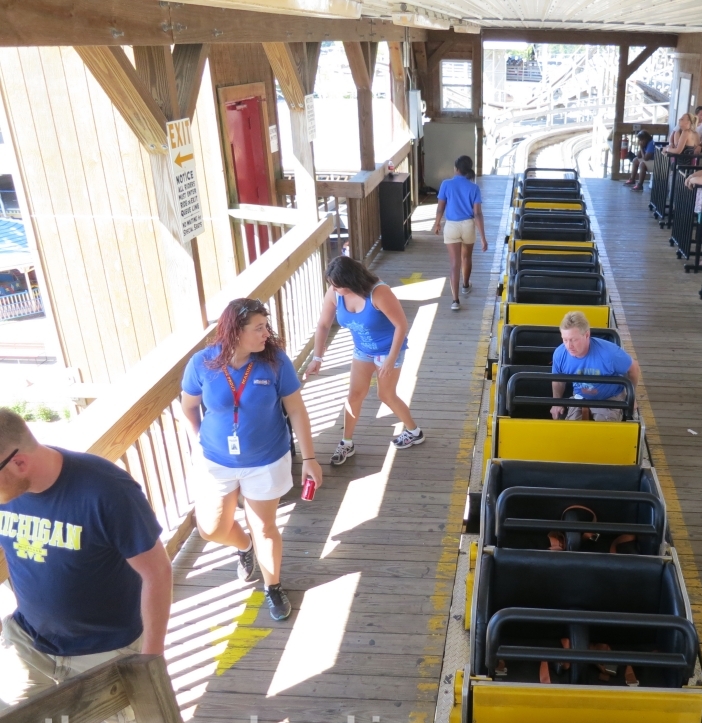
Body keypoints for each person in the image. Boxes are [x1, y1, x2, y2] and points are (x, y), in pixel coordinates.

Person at [0, 407, 172, 709]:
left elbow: (157, 572)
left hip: (106, 650)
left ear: (19, 462)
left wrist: (151, 656)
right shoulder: (8, 491)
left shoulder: (105, 490)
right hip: (30, 642)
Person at [181, 298, 322, 622]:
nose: (266, 333)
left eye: (265, 326)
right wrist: (195, 444)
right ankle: (244, 548)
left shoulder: (274, 362)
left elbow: (296, 409)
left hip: (266, 459)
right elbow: (188, 407)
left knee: (266, 527)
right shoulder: (201, 363)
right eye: (258, 328)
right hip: (216, 460)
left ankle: (273, 587)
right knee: (211, 528)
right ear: (235, 331)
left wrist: (311, 458)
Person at [307, 257, 424, 464]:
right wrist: (317, 357)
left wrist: (391, 358)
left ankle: (414, 432)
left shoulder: (379, 292)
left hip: (387, 350)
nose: (333, 288)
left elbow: (401, 325)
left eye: (338, 285)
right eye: (331, 284)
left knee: (386, 395)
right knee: (354, 395)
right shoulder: (335, 293)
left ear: (351, 281)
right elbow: (324, 325)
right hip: (362, 351)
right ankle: (346, 442)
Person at [550, 312, 641, 423]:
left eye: (574, 340)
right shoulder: (560, 354)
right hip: (579, 396)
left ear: (587, 335)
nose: (569, 346)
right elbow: (558, 381)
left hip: (609, 398)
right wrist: (556, 403)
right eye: (565, 340)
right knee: (571, 432)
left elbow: (634, 368)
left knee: (603, 433)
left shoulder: (609, 353)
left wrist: (632, 396)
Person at [433, 155, 488, 311]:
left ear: (456, 168)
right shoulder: (474, 188)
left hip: (451, 226)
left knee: (454, 264)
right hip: (468, 226)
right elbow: (477, 214)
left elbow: (440, 208)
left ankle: (455, 301)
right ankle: (465, 285)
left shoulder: (446, 184)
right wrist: (483, 237)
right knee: (466, 257)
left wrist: (437, 224)